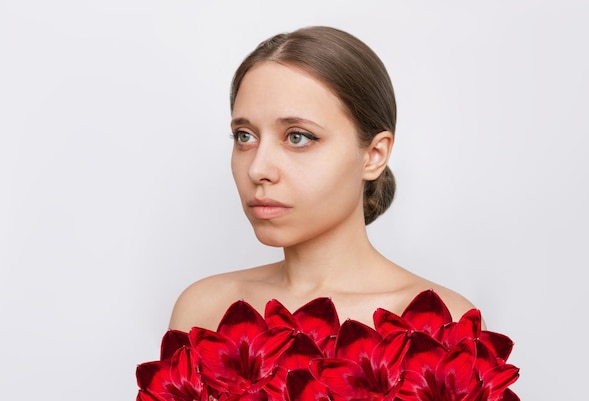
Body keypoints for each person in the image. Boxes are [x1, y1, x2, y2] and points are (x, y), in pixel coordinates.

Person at [168, 26, 477, 333]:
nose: (257, 169)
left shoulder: (443, 324)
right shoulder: (204, 310)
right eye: (245, 136)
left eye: (298, 137)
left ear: (374, 155)